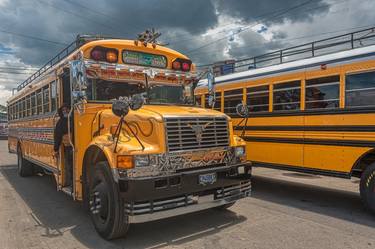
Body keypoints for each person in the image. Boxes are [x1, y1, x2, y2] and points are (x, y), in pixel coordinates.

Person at [54, 104, 73, 187]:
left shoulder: (74, 119)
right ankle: (72, 183)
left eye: (67, 109)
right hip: (68, 147)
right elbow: (57, 136)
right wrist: (56, 149)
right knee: (71, 165)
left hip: (76, 145)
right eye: (63, 110)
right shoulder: (60, 122)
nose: (65, 111)